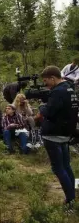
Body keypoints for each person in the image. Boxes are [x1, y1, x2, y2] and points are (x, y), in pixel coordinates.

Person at [37, 66, 78, 211]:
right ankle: (71, 197)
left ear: (53, 78)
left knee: (59, 168)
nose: (46, 83)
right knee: (66, 166)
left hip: (53, 134)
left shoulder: (57, 92)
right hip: (65, 134)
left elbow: (50, 112)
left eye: (46, 80)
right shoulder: (70, 89)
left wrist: (42, 107)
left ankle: (70, 202)